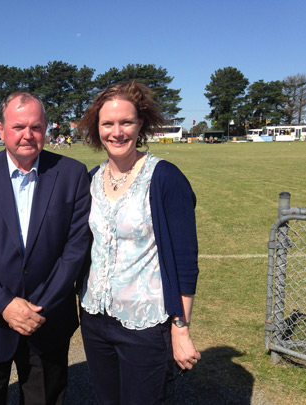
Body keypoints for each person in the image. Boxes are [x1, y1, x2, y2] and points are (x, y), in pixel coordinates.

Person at [0, 91, 91, 404]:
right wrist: (5, 304)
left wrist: (36, 307)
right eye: (18, 127)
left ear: (46, 128)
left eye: (36, 127)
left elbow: (75, 247)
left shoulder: (71, 174)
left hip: (48, 318)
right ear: (0, 130)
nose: (28, 135)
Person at [77, 81, 201, 404]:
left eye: (126, 122)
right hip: (94, 320)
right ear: (97, 127)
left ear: (140, 124)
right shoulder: (90, 179)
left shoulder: (164, 178)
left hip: (144, 325)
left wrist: (181, 328)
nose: (117, 132)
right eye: (108, 124)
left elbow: (186, 262)